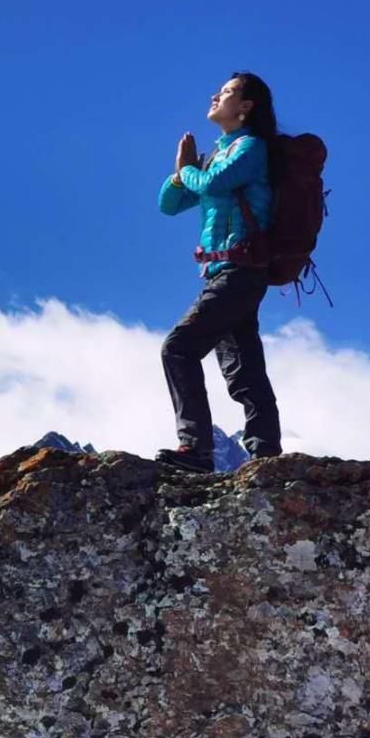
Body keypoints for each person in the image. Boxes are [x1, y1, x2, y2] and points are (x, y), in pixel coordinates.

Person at [155, 72, 284, 473]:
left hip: (239, 271)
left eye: (226, 92)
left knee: (179, 347)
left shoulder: (251, 148)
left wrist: (188, 169)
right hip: (228, 272)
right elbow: (169, 205)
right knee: (243, 368)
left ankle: (195, 449)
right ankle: (266, 456)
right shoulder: (221, 151)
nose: (215, 96)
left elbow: (212, 183)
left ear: (246, 107)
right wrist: (181, 174)